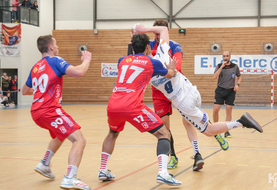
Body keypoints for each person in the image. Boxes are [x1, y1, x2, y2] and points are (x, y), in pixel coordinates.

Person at [134, 24, 262, 152]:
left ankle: (241, 122)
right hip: (192, 91)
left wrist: (133, 38)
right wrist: (143, 29)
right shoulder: (162, 52)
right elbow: (163, 29)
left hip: (183, 102)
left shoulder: (143, 71)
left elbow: (135, 57)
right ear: (148, 47)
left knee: (209, 131)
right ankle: (197, 153)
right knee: (189, 123)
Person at [98, 27, 182, 186]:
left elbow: (131, 57)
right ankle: (163, 173)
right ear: (148, 47)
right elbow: (170, 74)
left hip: (113, 104)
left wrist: (133, 39)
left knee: (112, 133)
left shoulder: (121, 60)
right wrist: (171, 67)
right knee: (164, 133)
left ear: (132, 46)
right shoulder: (152, 62)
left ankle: (103, 169)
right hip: (131, 105)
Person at [128, 20, 205, 170]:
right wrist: (134, 35)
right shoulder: (148, 46)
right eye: (154, 33)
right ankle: (173, 156)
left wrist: (167, 69)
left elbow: (177, 66)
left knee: (189, 121)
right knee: (164, 127)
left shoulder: (173, 45)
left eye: (159, 33)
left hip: (176, 87)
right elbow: (136, 55)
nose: (157, 36)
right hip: (158, 91)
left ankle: (199, 151)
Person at [22, 35, 92, 190]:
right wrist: (86, 60)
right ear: (51, 47)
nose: (58, 46)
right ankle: (69, 178)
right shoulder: (56, 60)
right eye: (56, 44)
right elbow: (78, 73)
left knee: (59, 134)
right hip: (50, 110)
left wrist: (41, 91)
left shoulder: (35, 67)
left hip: (36, 112)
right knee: (79, 140)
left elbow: (24, 90)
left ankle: (44, 164)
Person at [213, 51, 242, 138]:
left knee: (229, 110)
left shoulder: (235, 66)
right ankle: (215, 129)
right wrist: (221, 66)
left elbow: (239, 77)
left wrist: (237, 84)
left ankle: (226, 131)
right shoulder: (219, 66)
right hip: (220, 90)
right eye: (224, 56)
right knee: (215, 110)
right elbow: (215, 76)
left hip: (230, 91)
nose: (225, 58)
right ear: (222, 57)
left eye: (227, 56)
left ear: (230, 57)